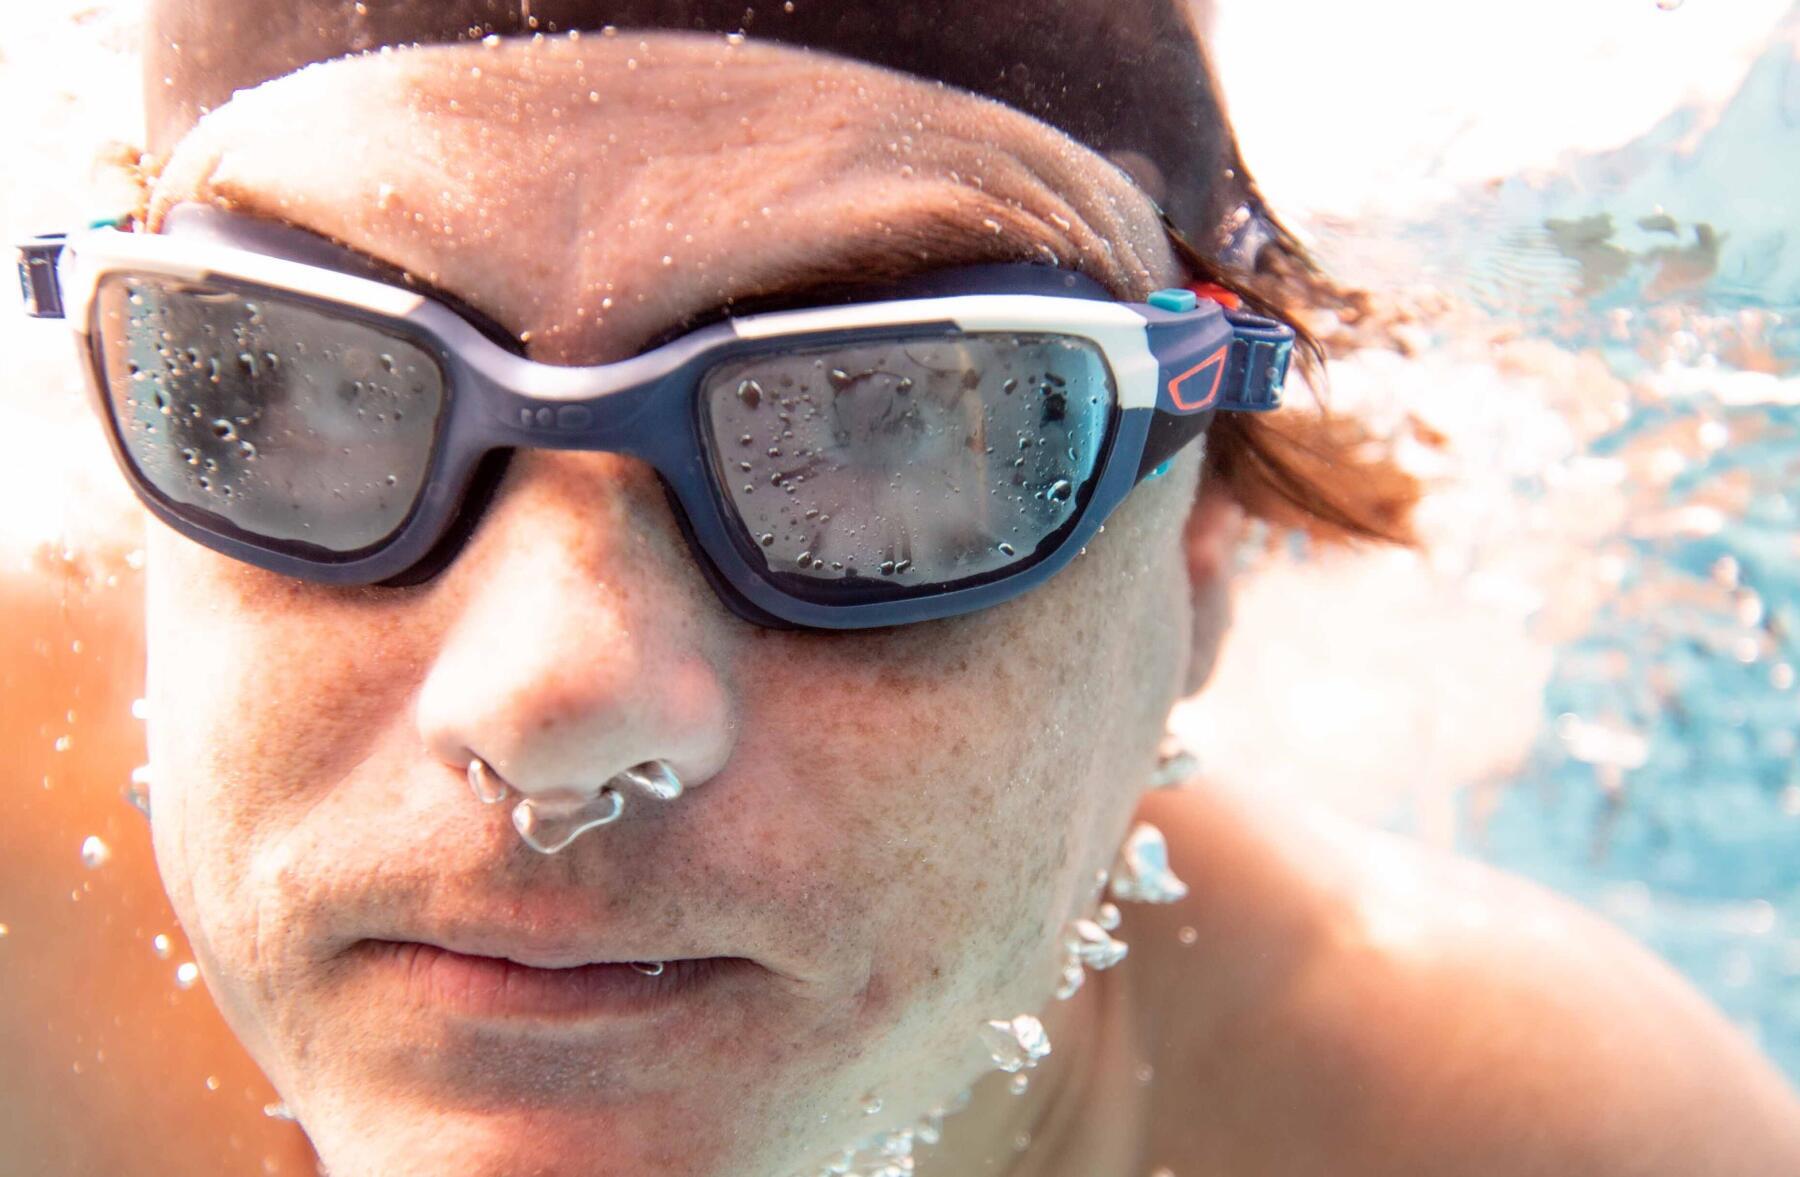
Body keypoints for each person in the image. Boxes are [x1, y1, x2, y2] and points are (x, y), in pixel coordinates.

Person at [22, 1, 1800, 1173]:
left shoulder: (1517, 1135)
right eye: (297, 386)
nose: (554, 704)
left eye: (896, 431)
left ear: (1198, 550)